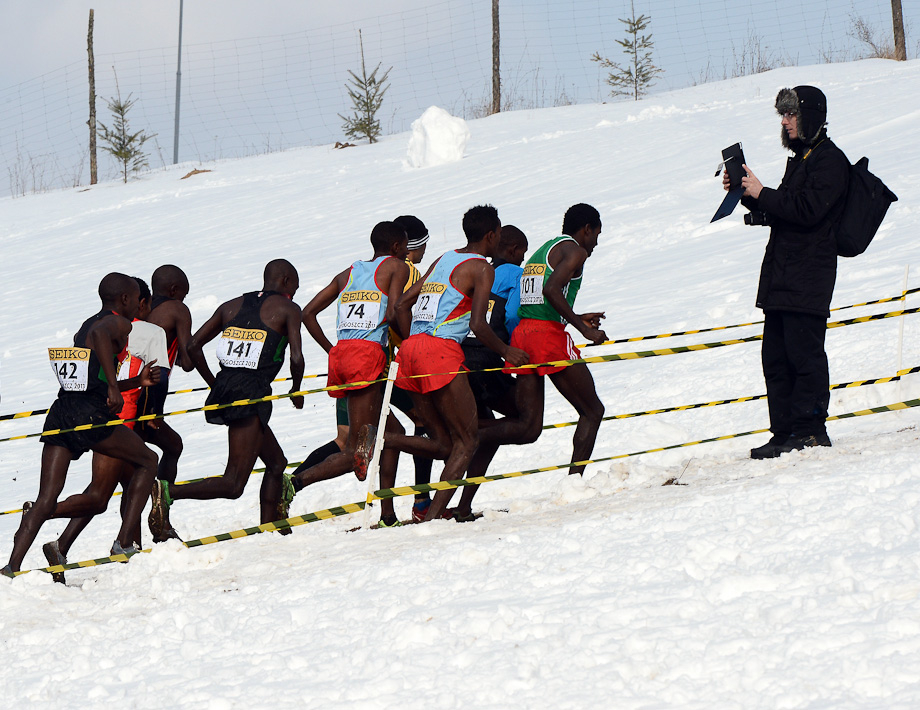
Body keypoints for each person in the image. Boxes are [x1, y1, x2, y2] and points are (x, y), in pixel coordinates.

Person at [357, 205, 529, 521]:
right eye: (499, 234)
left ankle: (382, 438)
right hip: (440, 354)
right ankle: (435, 516)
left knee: (441, 442)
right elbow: (478, 324)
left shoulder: (444, 259)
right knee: (467, 441)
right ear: (491, 235)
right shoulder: (482, 268)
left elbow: (399, 306)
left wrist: (415, 340)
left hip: (410, 353)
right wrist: (507, 351)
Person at [3, 273, 160, 577]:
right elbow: (103, 339)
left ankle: (11, 567)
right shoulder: (117, 323)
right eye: (135, 301)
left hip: (62, 412)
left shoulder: (85, 324)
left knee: (46, 498)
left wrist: (131, 382)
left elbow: (90, 378)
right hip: (91, 415)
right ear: (126, 300)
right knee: (148, 460)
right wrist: (115, 388)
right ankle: (124, 543)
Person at [728, 86, 849, 459]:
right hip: (782, 279)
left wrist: (764, 193)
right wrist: (748, 193)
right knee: (776, 360)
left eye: (791, 114)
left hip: (808, 280)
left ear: (810, 114)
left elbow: (807, 210)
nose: (785, 121)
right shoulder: (802, 159)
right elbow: (784, 208)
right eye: (783, 114)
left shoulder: (830, 161)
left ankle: (811, 430)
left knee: (804, 357)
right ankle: (784, 433)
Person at [147, 260, 305, 539]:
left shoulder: (231, 305)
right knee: (233, 484)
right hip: (250, 394)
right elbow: (296, 357)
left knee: (277, 463)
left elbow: (194, 346)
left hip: (229, 390)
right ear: (285, 281)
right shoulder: (289, 309)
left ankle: (271, 530)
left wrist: (215, 383)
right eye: (295, 287)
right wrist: (295, 388)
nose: (294, 293)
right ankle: (169, 491)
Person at [42, 277, 169, 582]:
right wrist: (153, 415)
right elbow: (159, 381)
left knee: (113, 488)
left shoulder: (90, 327)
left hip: (95, 411)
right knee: (103, 492)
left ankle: (68, 545)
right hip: (120, 419)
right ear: (139, 302)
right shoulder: (151, 332)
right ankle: (119, 540)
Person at [289, 221, 410, 528]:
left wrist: (333, 349)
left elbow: (307, 313)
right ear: (397, 247)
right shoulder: (397, 267)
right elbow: (395, 311)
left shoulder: (349, 272)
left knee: (393, 434)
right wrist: (410, 344)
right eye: (406, 247)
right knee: (358, 449)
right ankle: (293, 485)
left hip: (343, 356)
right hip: (366, 358)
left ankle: (388, 515)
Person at [480, 203, 607, 476]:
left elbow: (539, 297)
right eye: (597, 234)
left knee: (529, 427)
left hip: (524, 334)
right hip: (546, 338)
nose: (596, 243)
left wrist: (576, 316)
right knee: (593, 410)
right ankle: (575, 480)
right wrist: (583, 330)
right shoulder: (576, 250)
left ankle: (468, 432)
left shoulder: (544, 250)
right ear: (587, 229)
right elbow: (551, 289)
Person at [453, 224, 529, 521]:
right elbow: (511, 314)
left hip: (463, 357)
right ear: (513, 251)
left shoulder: (477, 271)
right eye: (521, 253)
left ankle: (462, 505)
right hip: (488, 360)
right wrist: (511, 346)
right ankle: (463, 436)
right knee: (523, 420)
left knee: (487, 429)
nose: (522, 259)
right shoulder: (514, 274)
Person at [142, 264, 196, 541]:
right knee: (169, 449)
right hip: (148, 403)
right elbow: (186, 361)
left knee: (161, 451)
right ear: (175, 291)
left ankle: (152, 526)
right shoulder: (177, 310)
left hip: (128, 396)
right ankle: (161, 518)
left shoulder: (140, 308)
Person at [389, 214, 435, 522]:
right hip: (398, 362)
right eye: (423, 247)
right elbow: (400, 311)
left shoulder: (373, 270)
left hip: (373, 360)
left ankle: (417, 500)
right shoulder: (409, 271)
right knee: (423, 421)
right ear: (411, 247)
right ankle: (422, 499)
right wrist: (411, 343)